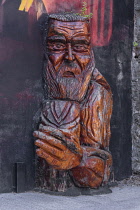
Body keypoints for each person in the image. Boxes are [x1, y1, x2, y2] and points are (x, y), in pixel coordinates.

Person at [34, 13, 113, 188]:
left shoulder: (96, 94)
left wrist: (77, 160)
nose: (69, 56)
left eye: (79, 46)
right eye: (57, 45)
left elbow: (99, 169)